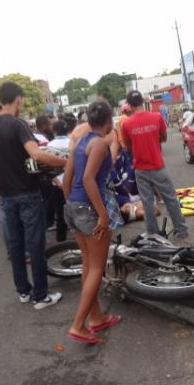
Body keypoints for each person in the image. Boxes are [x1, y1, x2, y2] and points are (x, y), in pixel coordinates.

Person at [0, 81, 66, 309]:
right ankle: (41, 296)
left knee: (16, 246)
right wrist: (66, 161)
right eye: (22, 102)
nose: (22, 105)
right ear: (17, 100)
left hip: (5, 196)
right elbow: (36, 154)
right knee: (35, 244)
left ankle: (24, 291)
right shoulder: (18, 125)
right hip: (27, 192)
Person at [63, 99, 121, 344]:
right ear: (108, 121)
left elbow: (67, 179)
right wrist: (103, 214)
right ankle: (78, 325)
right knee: (97, 267)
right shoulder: (98, 144)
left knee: (88, 266)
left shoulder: (80, 143)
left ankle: (96, 318)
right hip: (89, 210)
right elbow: (88, 179)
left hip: (75, 208)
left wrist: (71, 205)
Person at [122, 90, 189, 241]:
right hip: (157, 166)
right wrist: (151, 139)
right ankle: (181, 229)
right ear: (142, 102)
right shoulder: (157, 117)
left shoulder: (126, 124)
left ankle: (152, 234)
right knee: (170, 198)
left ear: (130, 106)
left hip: (140, 168)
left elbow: (128, 147)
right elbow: (164, 138)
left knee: (147, 202)